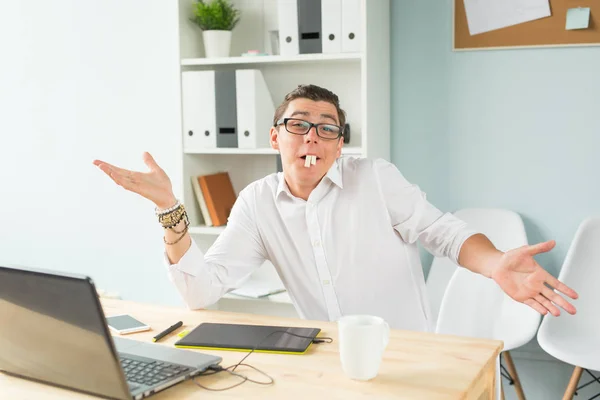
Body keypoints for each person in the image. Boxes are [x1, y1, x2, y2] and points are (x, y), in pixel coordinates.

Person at [93, 84, 578, 332]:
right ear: (274, 136)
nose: (312, 136)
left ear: (340, 145)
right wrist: (169, 210)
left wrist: (495, 265)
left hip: (404, 352)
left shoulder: (376, 178)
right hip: (325, 357)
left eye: (327, 128)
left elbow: (444, 234)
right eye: (298, 124)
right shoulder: (257, 203)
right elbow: (201, 291)